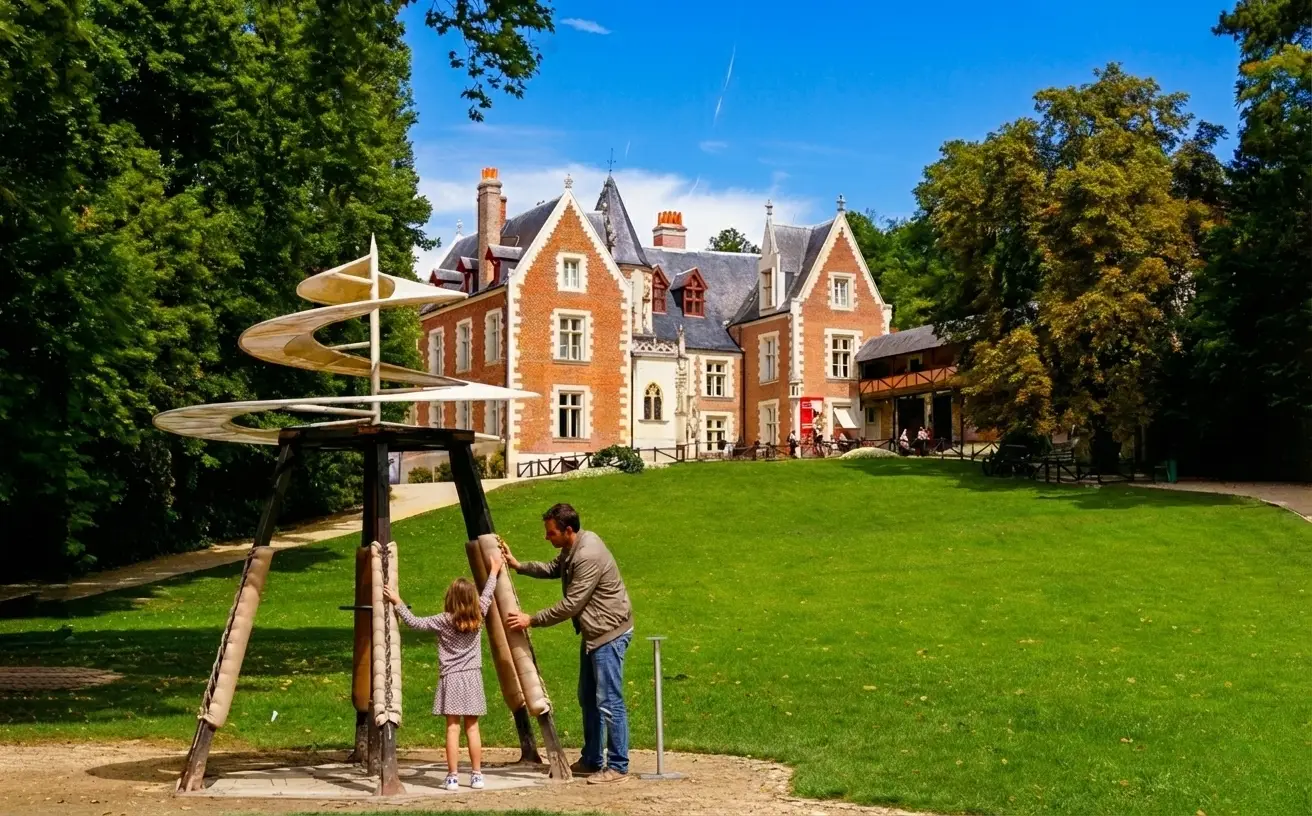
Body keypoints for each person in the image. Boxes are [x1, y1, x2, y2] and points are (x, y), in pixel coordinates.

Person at [501, 503, 634, 784]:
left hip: (608, 633)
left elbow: (572, 604)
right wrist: (518, 566)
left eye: (550, 533)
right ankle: (592, 759)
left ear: (568, 530)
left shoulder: (587, 555)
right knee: (588, 697)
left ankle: (619, 766)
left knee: (609, 701)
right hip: (594, 634)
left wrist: (531, 620)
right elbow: (553, 568)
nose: (547, 537)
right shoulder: (574, 547)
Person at [384, 556, 502, 792]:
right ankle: (477, 775)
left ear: (450, 599)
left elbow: (414, 623)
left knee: (452, 728)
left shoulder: (442, 620)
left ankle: (452, 777)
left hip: (451, 678)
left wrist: (397, 601)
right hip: (472, 677)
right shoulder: (479, 614)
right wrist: (494, 570)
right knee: (472, 727)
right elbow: (488, 592)